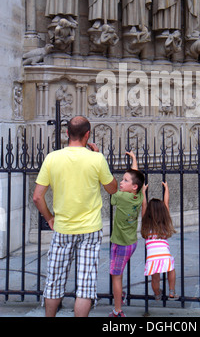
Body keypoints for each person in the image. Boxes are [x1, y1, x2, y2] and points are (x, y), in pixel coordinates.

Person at [32, 116, 117, 317]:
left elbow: (37, 196)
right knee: (86, 286)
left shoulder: (52, 158)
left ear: (67, 134)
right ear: (87, 134)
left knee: (54, 282)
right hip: (90, 229)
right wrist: (98, 156)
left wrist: (50, 218)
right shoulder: (96, 159)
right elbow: (113, 188)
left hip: (62, 228)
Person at [109, 151, 145, 317]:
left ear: (134, 186)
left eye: (124, 180)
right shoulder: (138, 196)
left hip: (121, 244)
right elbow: (135, 177)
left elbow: (109, 188)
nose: (121, 182)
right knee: (119, 272)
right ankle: (119, 296)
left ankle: (117, 310)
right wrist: (134, 160)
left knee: (116, 276)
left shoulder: (122, 197)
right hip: (131, 242)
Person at [141, 181, 178, 301]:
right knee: (171, 271)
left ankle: (157, 294)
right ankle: (171, 292)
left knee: (155, 278)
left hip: (152, 257)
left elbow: (144, 205)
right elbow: (166, 203)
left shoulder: (146, 224)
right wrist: (166, 189)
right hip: (164, 254)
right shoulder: (163, 223)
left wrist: (143, 192)